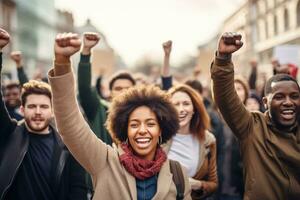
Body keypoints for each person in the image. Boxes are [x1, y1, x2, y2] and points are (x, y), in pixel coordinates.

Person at [48, 32, 191, 200]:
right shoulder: (104, 161)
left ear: (161, 130)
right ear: (125, 130)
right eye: (134, 124)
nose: (142, 130)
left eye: (150, 124)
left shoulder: (178, 174)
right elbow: (69, 124)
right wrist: (62, 63)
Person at [0, 28, 92, 200]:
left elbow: (78, 188)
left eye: (43, 107)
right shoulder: (9, 134)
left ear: (52, 111)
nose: (37, 112)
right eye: (32, 106)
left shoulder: (68, 147)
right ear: (22, 109)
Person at [211, 32, 300, 200]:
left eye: (294, 96)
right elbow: (225, 98)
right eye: (279, 97)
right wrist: (223, 59)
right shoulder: (253, 126)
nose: (288, 102)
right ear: (265, 102)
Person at [78, 32, 135, 145]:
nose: (123, 92)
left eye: (127, 88)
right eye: (118, 88)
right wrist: (86, 51)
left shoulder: (143, 114)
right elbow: (84, 87)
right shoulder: (99, 109)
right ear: (110, 92)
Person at [164, 84, 218, 199]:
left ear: (194, 109)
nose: (181, 109)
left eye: (186, 104)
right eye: (175, 105)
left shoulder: (208, 140)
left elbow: (213, 184)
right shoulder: (158, 137)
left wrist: (198, 184)